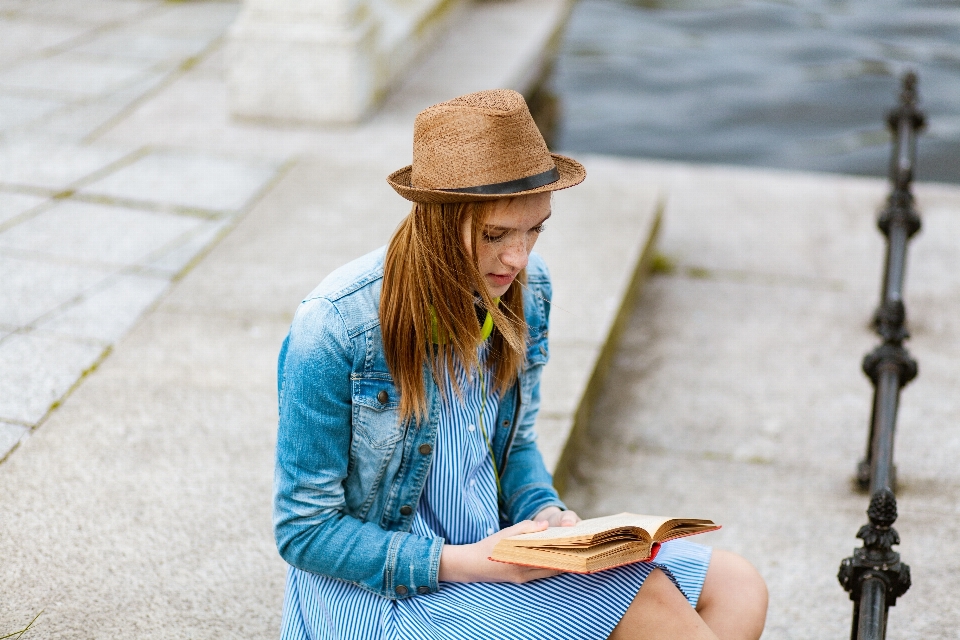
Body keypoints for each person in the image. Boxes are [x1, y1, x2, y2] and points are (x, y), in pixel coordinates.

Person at [274, 89, 768, 639]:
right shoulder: (337, 327)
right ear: (439, 221)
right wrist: (469, 562)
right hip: (388, 590)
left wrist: (548, 515)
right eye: (495, 235)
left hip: (496, 551)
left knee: (737, 585)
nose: (519, 257)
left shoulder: (526, 294)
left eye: (535, 229)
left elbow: (517, 447)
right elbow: (304, 531)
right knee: (651, 603)